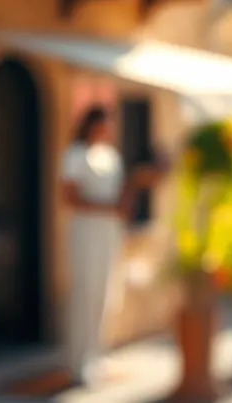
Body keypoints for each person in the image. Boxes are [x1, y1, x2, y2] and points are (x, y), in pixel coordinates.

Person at [61, 106, 162, 385]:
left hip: (108, 234)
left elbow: (121, 197)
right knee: (85, 293)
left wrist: (138, 184)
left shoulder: (111, 157)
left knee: (106, 294)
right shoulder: (75, 155)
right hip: (86, 233)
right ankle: (78, 361)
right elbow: (69, 197)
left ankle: (96, 355)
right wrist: (108, 208)